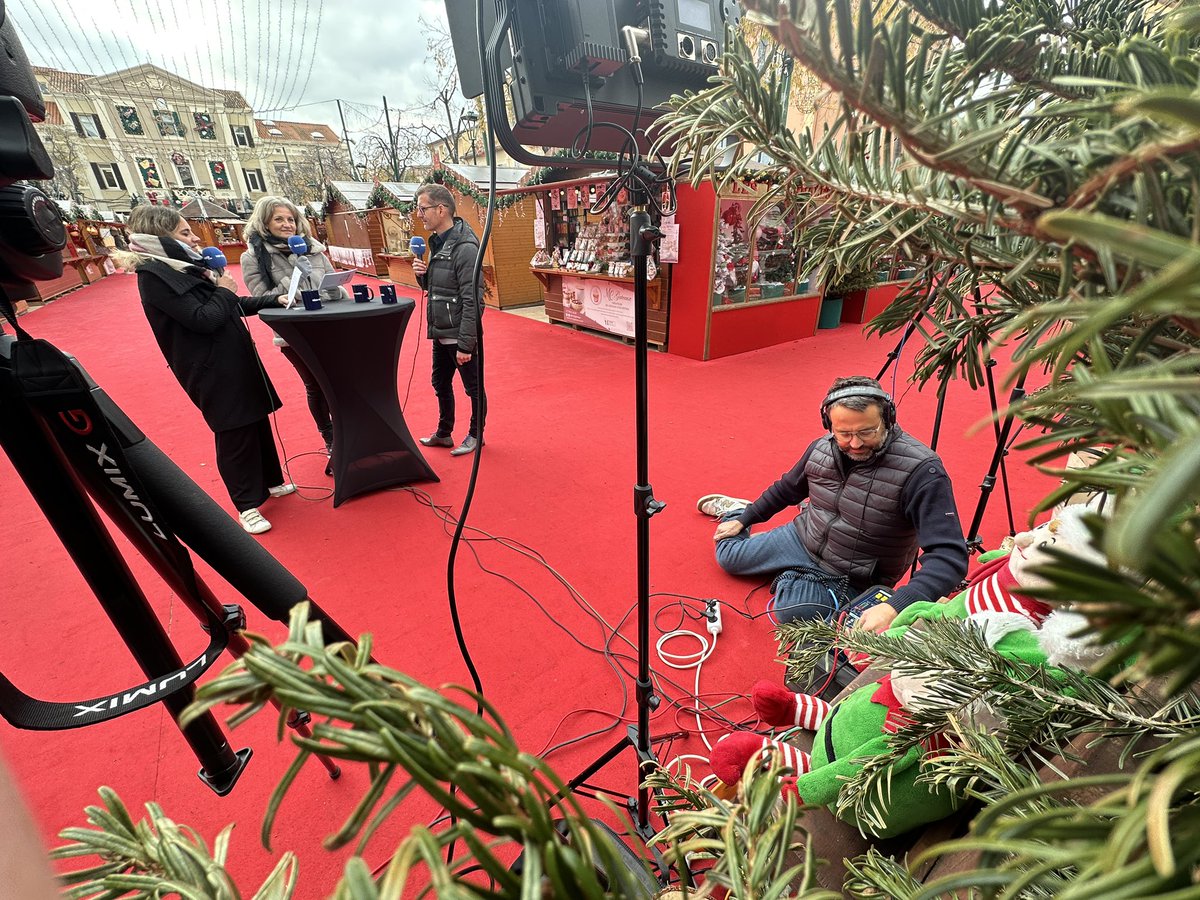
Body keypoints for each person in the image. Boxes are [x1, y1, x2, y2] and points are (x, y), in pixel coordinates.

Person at [697, 376, 968, 633]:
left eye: (867, 431)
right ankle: (735, 511)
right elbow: (787, 489)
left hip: (854, 571)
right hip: (804, 536)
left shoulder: (922, 470)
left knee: (793, 613)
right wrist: (746, 517)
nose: (855, 443)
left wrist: (896, 605)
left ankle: (792, 575)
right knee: (728, 557)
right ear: (829, 425)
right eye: (843, 433)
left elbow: (949, 556)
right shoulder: (821, 448)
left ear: (888, 419)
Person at [114, 205, 294, 535]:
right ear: (160, 237)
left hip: (234, 360)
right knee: (234, 431)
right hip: (209, 369)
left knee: (255, 420)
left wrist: (273, 300)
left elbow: (231, 306)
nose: (195, 238)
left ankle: (270, 481)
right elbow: (204, 318)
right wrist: (225, 289)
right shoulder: (154, 277)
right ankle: (246, 505)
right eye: (184, 233)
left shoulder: (185, 267)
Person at [241, 196, 348, 457]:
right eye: (279, 219)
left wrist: (336, 289)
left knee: (338, 381)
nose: (287, 224)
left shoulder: (313, 248)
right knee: (316, 384)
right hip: (293, 333)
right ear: (265, 223)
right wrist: (294, 274)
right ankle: (331, 438)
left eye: (290, 219)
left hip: (328, 327)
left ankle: (349, 431)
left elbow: (330, 285)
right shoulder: (254, 256)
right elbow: (263, 300)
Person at [410, 184, 485, 457]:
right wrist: (422, 275)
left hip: (460, 335)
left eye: (423, 208)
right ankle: (444, 432)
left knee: (473, 388)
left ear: (441, 209)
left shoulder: (465, 247)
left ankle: (477, 434)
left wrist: (466, 344)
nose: (419, 214)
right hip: (440, 332)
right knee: (440, 383)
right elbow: (438, 288)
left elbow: (473, 299)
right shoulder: (437, 243)